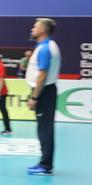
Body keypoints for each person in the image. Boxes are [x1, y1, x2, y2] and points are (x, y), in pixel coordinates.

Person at [25, 18, 61, 176]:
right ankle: (45, 163)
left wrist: (34, 97)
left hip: (44, 92)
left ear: (42, 31)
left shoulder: (45, 49)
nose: (32, 29)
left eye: (35, 27)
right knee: (45, 128)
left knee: (44, 129)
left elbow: (42, 75)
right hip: (47, 90)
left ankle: (46, 165)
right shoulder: (50, 45)